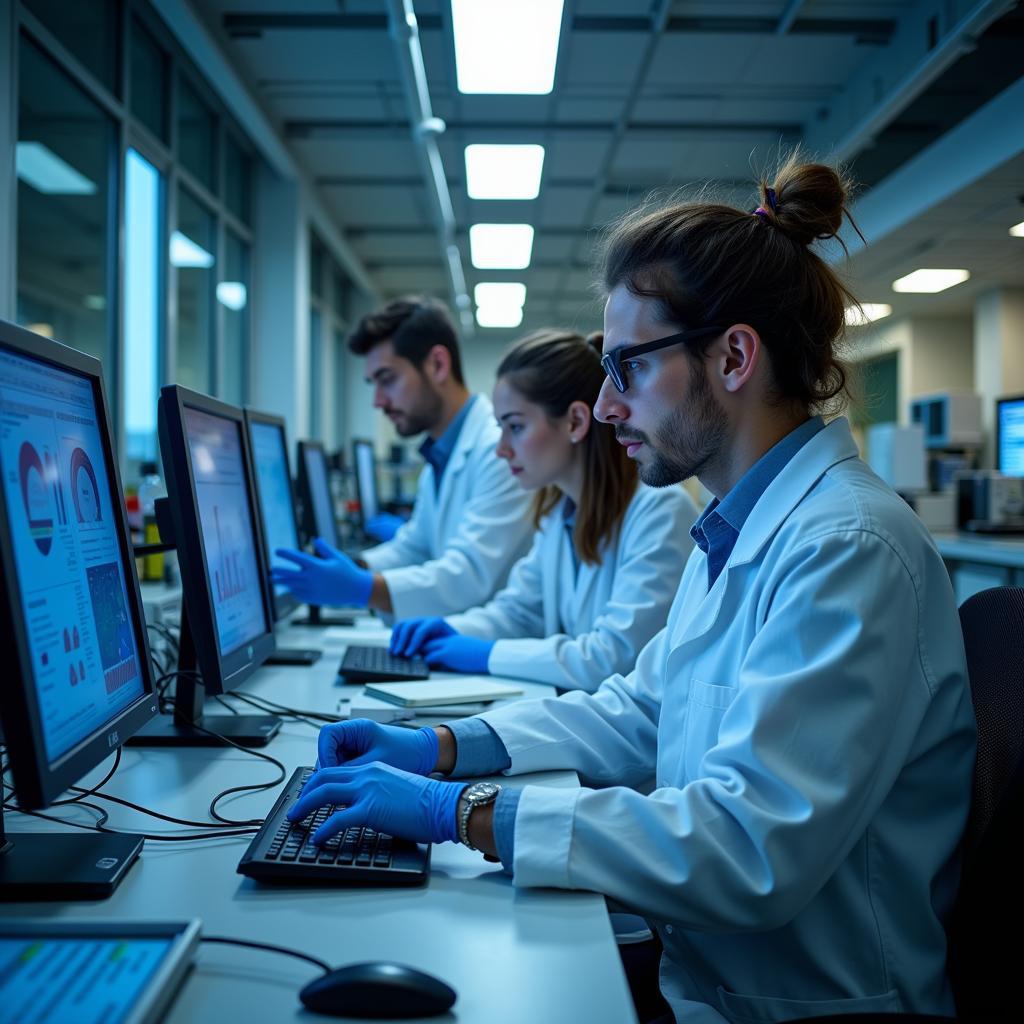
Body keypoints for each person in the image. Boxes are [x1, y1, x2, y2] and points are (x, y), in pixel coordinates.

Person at [285, 158, 977, 1023]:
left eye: (629, 369)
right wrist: (444, 745)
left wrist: (456, 811)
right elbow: (640, 708)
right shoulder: (740, 526)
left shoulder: (848, 547)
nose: (606, 408)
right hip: (708, 977)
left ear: (733, 356)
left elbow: (746, 848)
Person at [388, 328, 697, 690]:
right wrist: (451, 631)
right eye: (501, 428)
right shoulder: (558, 518)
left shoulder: (659, 513)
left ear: (575, 422)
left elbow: (612, 657)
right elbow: (518, 612)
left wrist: (482, 654)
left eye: (515, 427)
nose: (501, 449)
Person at [272, 297, 534, 620]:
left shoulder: (499, 452)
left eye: (387, 379)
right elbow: (415, 547)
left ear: (437, 365)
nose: (378, 402)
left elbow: (468, 575)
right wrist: (353, 568)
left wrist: (363, 588)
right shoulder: (440, 456)